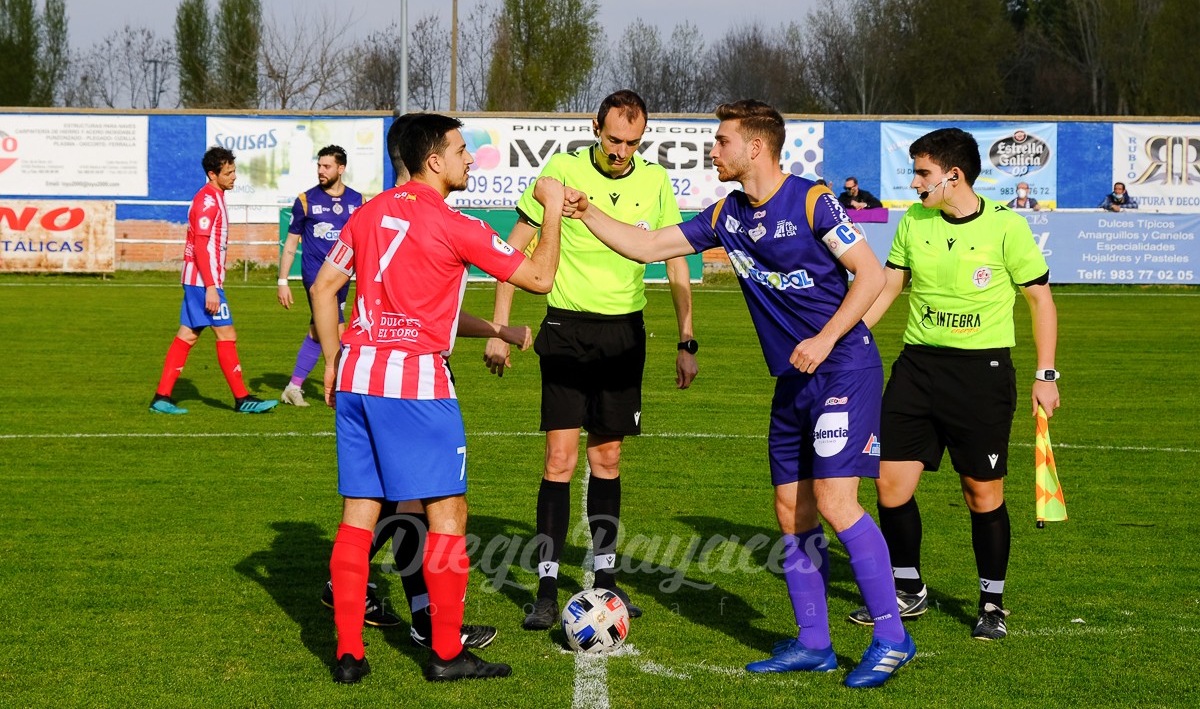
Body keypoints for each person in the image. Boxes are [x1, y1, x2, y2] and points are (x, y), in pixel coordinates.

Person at [563, 99, 915, 689]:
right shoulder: (728, 213)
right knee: (790, 511)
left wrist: (827, 340)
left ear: (755, 147)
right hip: (793, 381)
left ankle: (892, 637)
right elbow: (650, 247)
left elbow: (872, 275)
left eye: (722, 140)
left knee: (836, 502)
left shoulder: (811, 200)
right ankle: (814, 643)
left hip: (843, 370)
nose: (713, 149)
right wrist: (587, 211)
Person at [312, 112, 564, 684]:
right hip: (415, 385)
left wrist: (331, 358)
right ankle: (446, 653)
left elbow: (326, 288)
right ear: (434, 160)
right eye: (460, 149)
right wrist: (549, 207)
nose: (470, 158)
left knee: (358, 515)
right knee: (448, 515)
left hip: (357, 374)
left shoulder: (368, 213)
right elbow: (541, 277)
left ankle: (349, 656)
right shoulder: (454, 223)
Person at [484, 89, 698, 631]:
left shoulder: (654, 181)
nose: (622, 150)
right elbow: (517, 243)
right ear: (594, 126)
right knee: (559, 460)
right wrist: (500, 328)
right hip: (566, 329)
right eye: (613, 138)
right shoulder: (560, 170)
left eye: (633, 141)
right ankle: (547, 587)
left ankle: (604, 584)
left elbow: (673, 260)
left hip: (625, 335)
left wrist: (686, 338)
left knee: (608, 462)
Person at [851, 127, 1060, 641]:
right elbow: (891, 286)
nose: (915, 182)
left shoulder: (1006, 228)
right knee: (889, 485)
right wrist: (848, 335)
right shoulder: (913, 221)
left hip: (981, 376)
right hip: (917, 369)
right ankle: (908, 589)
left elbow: (1040, 300)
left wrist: (1046, 373)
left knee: (981, 493)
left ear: (954, 175)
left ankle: (992, 603)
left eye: (922, 173)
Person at [149, 147, 277, 415]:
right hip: (202, 282)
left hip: (200, 281)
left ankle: (161, 397)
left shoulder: (215, 197)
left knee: (187, 335)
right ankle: (242, 399)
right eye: (228, 173)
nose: (234, 177)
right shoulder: (207, 201)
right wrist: (211, 287)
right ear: (212, 174)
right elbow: (199, 245)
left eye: (234, 171)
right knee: (226, 333)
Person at [277, 145, 364, 407]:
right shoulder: (306, 200)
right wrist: (283, 281)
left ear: (341, 168)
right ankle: (341, 388)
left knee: (320, 331)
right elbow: (291, 244)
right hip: (316, 278)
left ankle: (294, 386)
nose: (321, 171)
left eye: (326, 166)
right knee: (336, 329)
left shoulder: (358, 201)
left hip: (344, 276)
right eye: (319, 165)